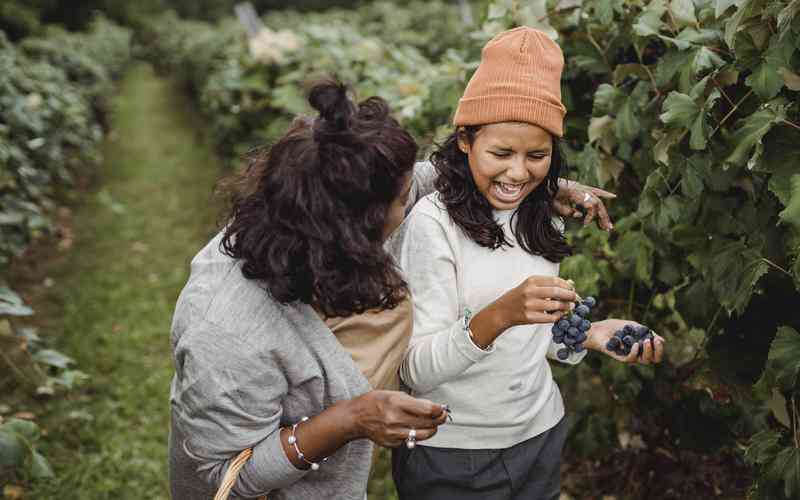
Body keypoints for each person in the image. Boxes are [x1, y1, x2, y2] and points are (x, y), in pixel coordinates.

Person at [168, 73, 617, 498]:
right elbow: (224, 478)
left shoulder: (315, 219)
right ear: (352, 228)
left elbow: (428, 176)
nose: (417, 200)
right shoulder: (227, 332)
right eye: (404, 201)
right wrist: (349, 419)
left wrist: (540, 185)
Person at [391, 27, 665, 500]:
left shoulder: (541, 216)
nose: (519, 172)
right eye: (501, 153)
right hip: (452, 454)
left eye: (537, 155)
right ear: (464, 140)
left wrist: (589, 335)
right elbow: (414, 370)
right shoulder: (431, 226)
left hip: (539, 435)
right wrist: (500, 314)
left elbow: (529, 340)